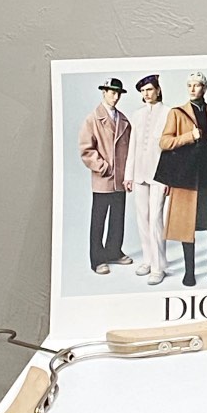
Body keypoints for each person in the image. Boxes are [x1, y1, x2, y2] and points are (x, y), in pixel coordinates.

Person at [155, 72, 207, 287]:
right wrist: (190, 136)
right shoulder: (177, 113)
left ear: (204, 88)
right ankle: (189, 272)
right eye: (189, 85)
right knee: (186, 223)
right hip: (187, 175)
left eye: (197, 85)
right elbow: (164, 142)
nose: (192, 89)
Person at [78, 78, 132, 275]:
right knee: (98, 220)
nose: (115, 97)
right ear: (104, 92)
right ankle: (97, 259)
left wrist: (129, 173)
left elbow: (131, 150)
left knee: (118, 217)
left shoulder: (124, 120)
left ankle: (114, 251)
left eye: (118, 93)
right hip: (103, 178)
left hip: (120, 179)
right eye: (112, 92)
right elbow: (86, 149)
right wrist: (103, 167)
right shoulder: (92, 119)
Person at [125, 73, 169, 285]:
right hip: (139, 173)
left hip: (160, 175)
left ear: (158, 90)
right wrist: (128, 175)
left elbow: (171, 151)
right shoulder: (137, 115)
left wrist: (169, 178)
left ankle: (159, 267)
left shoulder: (169, 113)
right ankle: (148, 260)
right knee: (142, 219)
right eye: (143, 91)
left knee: (155, 219)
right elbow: (132, 146)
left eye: (150, 89)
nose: (146, 94)